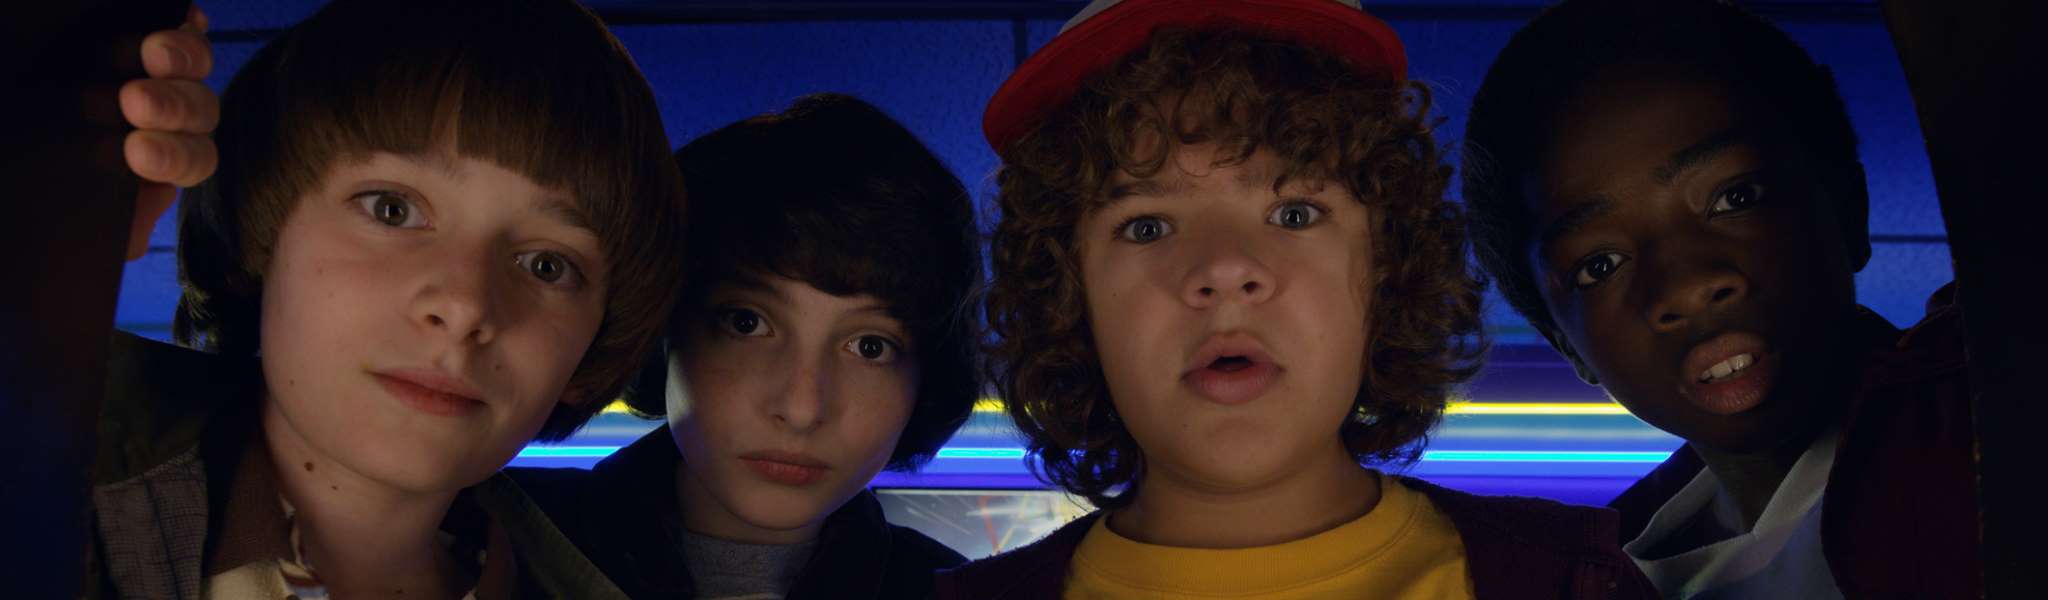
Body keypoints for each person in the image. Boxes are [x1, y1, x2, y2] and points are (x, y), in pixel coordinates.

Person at [935, 0, 1657, 597]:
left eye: (1294, 213)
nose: (1225, 269)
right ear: (1068, 297)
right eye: (1147, 226)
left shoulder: (1568, 580)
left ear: (1389, 267)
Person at [1459, 0, 1978, 596]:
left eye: (1735, 198)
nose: (1685, 286)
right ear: (1566, 345)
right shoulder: (1584, 574)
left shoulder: (1986, 432)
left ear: (1846, 210)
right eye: (1599, 266)